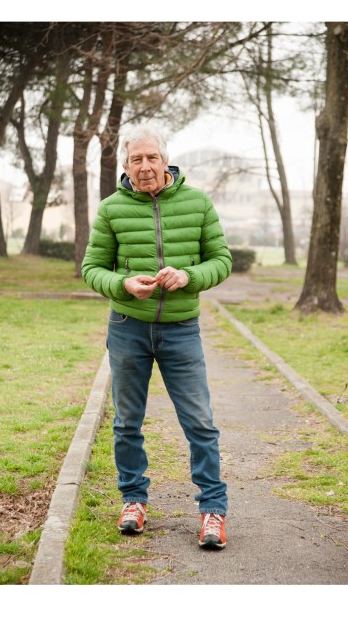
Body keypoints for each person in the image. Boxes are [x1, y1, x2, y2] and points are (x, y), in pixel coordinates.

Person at [81, 125, 232, 549]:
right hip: (128, 330)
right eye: (135, 160)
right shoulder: (112, 209)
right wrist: (123, 285)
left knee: (200, 424)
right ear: (125, 166)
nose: (144, 167)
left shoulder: (197, 203)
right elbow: (92, 268)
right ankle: (133, 501)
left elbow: (221, 260)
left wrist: (189, 276)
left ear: (165, 161)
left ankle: (212, 511)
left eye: (151, 158)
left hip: (182, 330)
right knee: (127, 423)